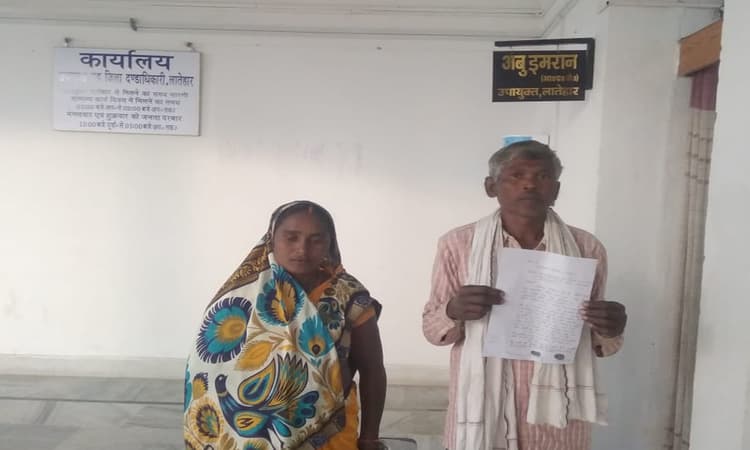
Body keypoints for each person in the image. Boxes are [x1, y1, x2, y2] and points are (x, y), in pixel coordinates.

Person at [422, 140, 627, 450]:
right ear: (491, 186)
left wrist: (610, 328)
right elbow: (432, 330)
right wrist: (453, 310)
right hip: (479, 419)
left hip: (557, 425)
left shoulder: (586, 248)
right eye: (516, 175)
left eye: (542, 176)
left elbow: (600, 341)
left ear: (556, 190)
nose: (529, 184)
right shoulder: (458, 245)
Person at [185, 201, 387, 450]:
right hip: (246, 436)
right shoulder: (240, 295)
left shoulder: (349, 297)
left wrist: (369, 438)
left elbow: (372, 370)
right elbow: (206, 366)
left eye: (316, 240)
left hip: (328, 434)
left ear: (329, 243)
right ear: (272, 238)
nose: (302, 249)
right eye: (291, 238)